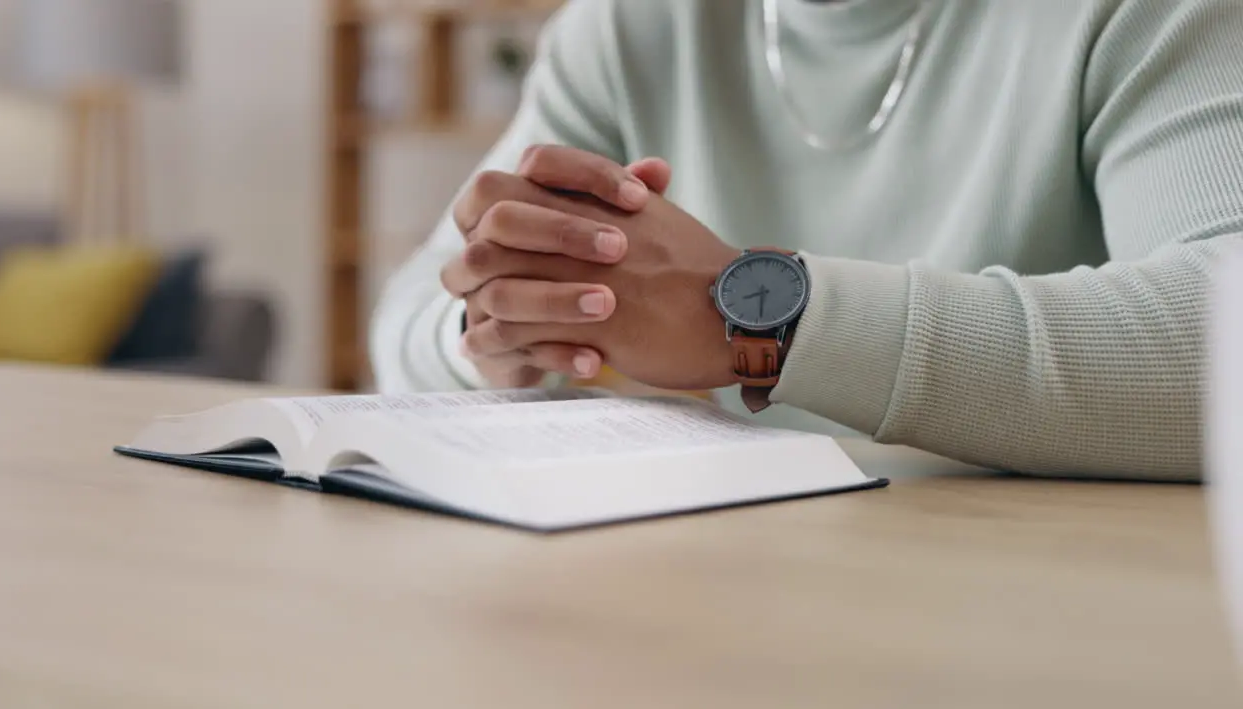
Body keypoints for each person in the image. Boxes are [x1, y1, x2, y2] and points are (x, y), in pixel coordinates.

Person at [371, 0, 1243, 480]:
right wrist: (512, 322)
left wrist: (755, 317)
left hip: (1042, 609)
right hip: (717, 588)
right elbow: (413, 312)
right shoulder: (627, 27)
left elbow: (1224, 334)